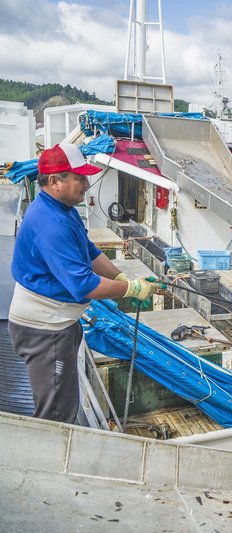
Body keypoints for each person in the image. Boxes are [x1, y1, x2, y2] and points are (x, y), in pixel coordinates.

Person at [8, 143, 161, 424]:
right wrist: (132, 289)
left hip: (58, 324)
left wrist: (119, 277)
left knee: (64, 399)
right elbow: (83, 285)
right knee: (57, 414)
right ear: (54, 181)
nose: (86, 184)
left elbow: (88, 251)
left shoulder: (62, 209)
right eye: (79, 178)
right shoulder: (50, 224)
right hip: (45, 330)